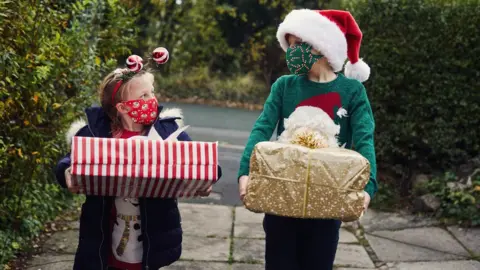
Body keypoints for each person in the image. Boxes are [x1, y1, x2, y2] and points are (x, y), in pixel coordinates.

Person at [237, 9, 377, 270]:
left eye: (300, 44)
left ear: (323, 46)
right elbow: (261, 128)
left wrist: (367, 188)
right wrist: (246, 171)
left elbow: (364, 140)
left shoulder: (352, 91)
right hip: (281, 195)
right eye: (290, 45)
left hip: (327, 202)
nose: (293, 52)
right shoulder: (284, 86)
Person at [55, 59, 221, 270]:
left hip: (152, 237)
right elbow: (69, 161)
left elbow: (201, 162)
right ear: (123, 107)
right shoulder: (98, 133)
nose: (153, 99)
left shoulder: (166, 130)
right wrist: (67, 171)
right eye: (144, 96)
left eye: (152, 92)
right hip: (104, 237)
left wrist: (208, 177)